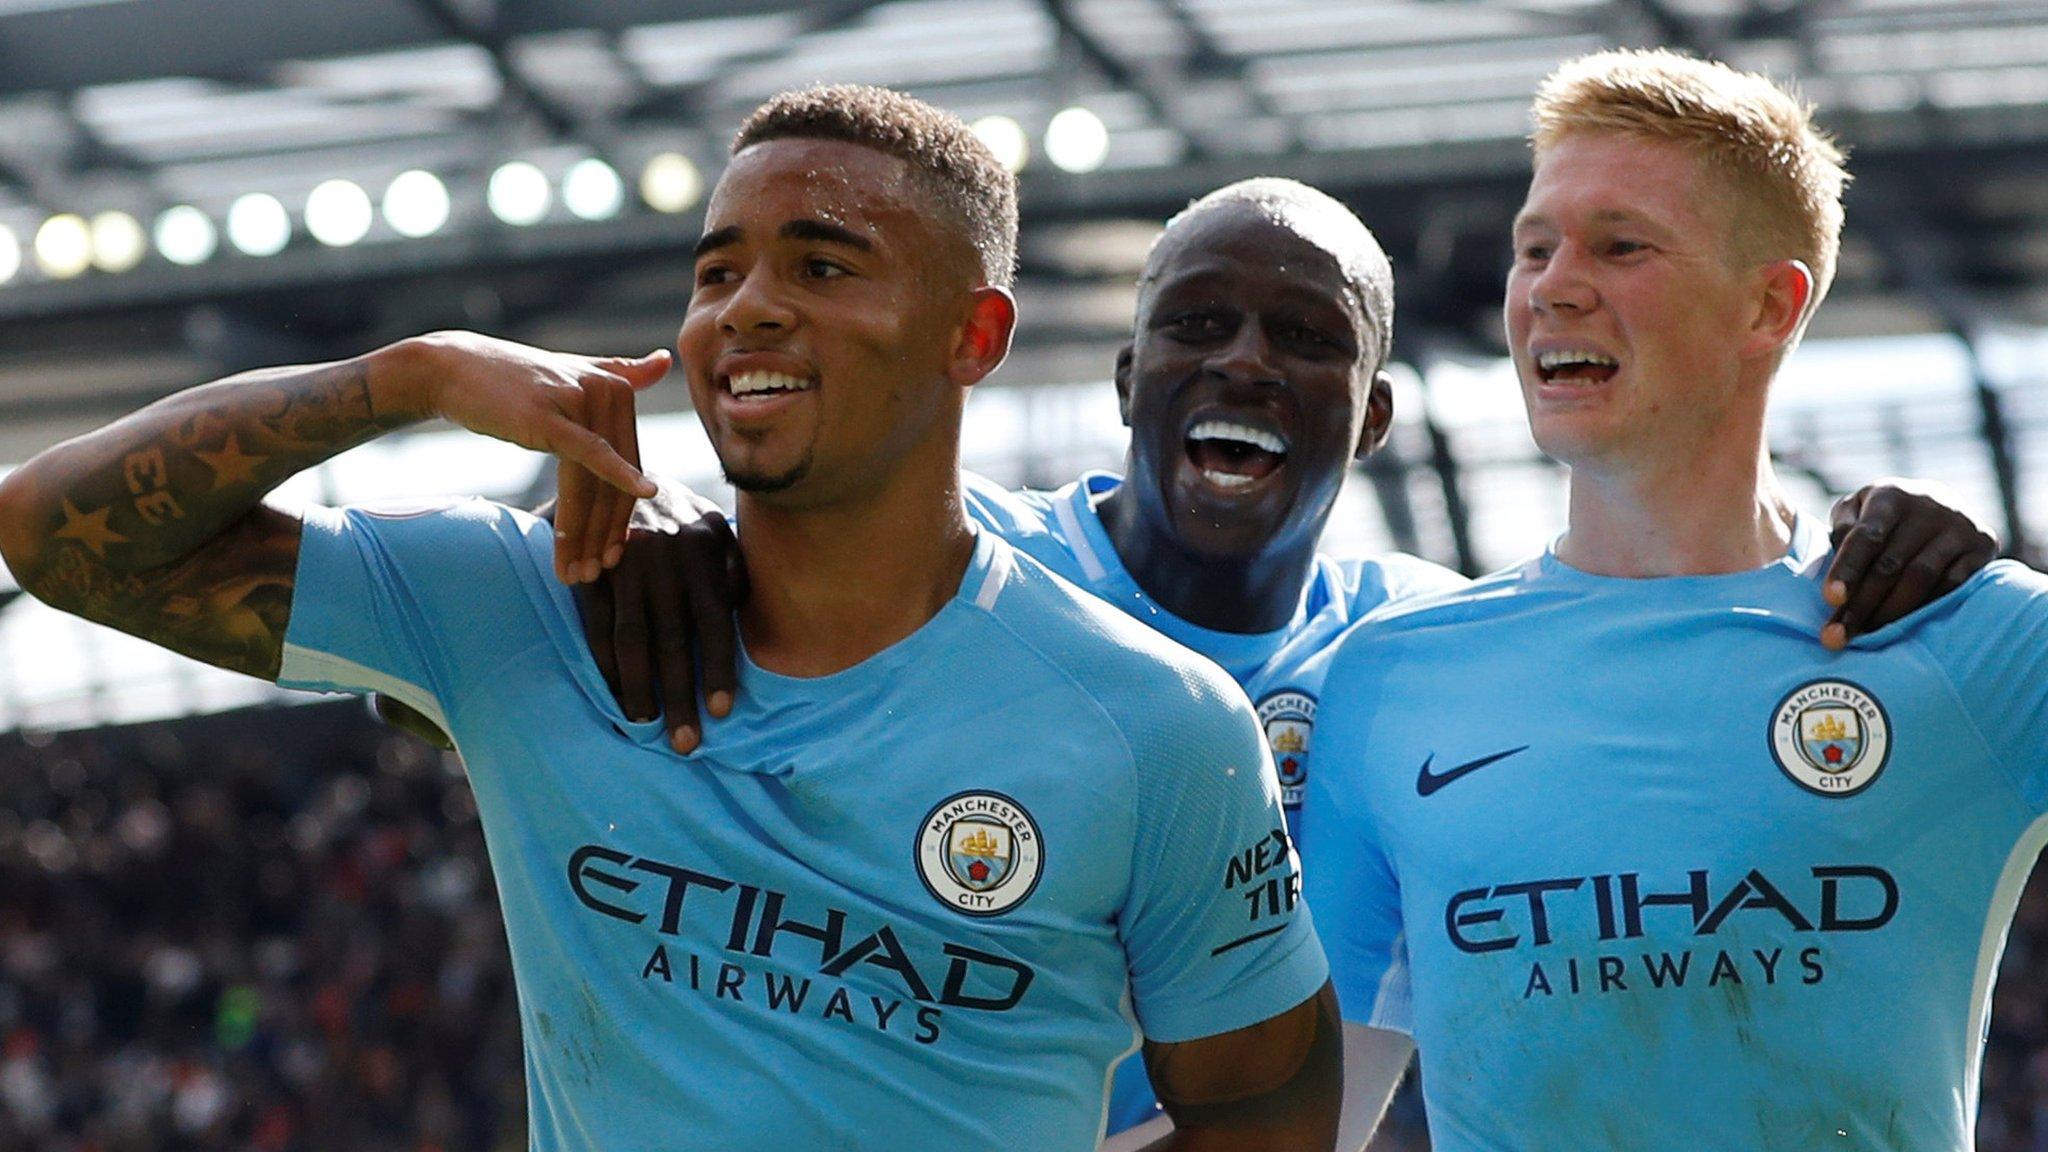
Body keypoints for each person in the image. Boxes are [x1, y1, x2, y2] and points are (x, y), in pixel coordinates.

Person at [0, 85, 1341, 1150]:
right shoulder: (533, 605)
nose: (747, 307)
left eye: (823, 266)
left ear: (975, 335)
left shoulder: (1152, 724)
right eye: (717, 274)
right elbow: (54, 537)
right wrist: (404, 378)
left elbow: (1270, 1112)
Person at [530, 175, 1998, 1144]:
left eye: (1303, 337)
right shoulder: (962, 576)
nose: (1241, 363)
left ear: (1366, 420)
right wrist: (663, 526)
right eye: (1197, 327)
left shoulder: (1424, 656)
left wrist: (1865, 544)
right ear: (1130, 381)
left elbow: (1664, 625)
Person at [1304, 48, 2048, 1151]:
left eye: (1620, 245)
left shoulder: (1971, 642)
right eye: (1533, 246)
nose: (1552, 284)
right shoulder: (1387, 678)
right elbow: (1303, 1117)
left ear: (1769, 305)